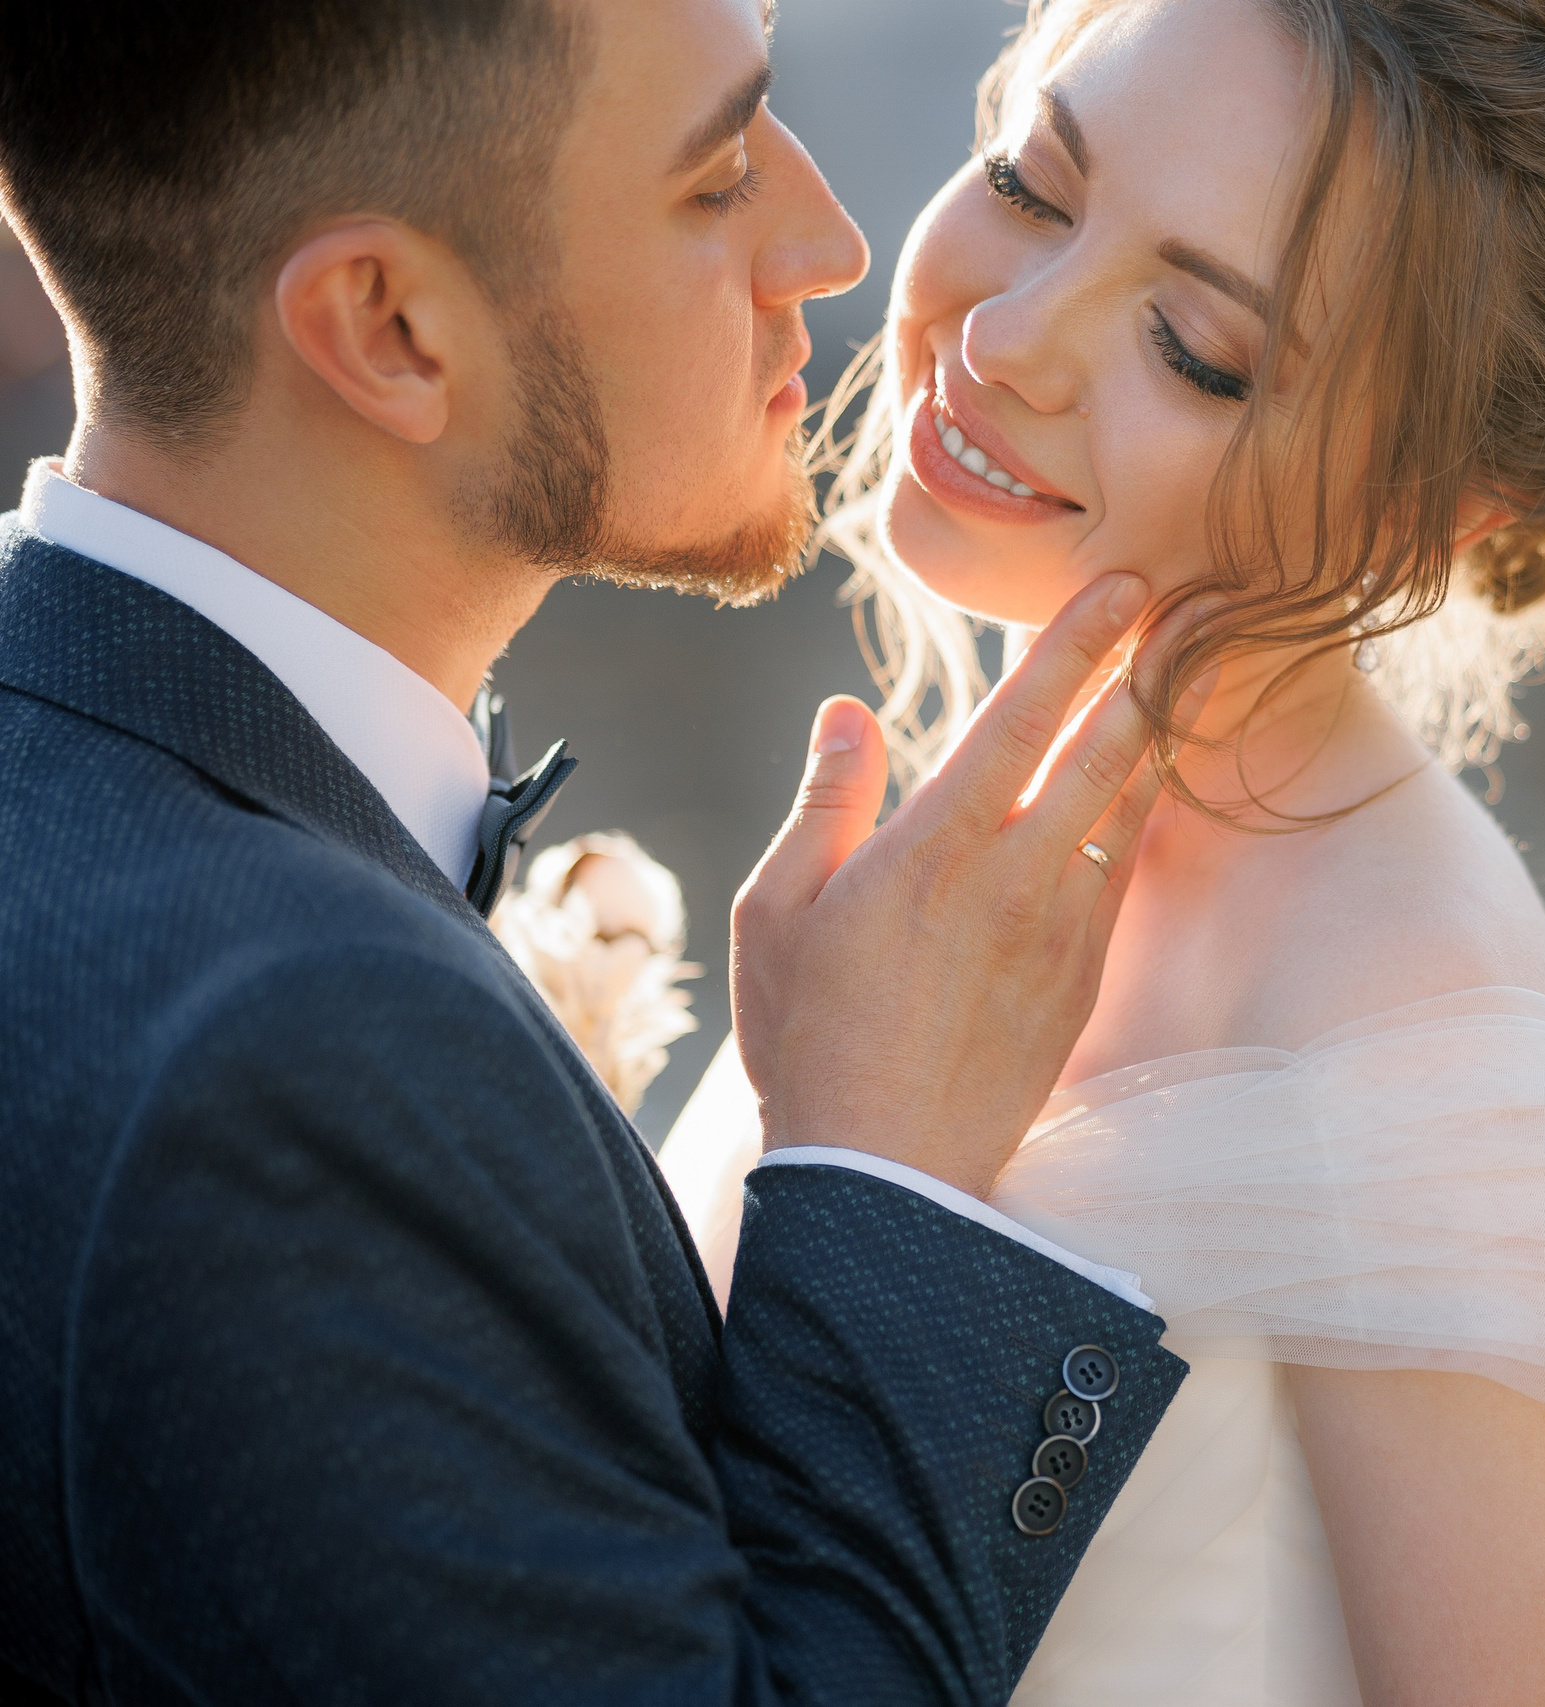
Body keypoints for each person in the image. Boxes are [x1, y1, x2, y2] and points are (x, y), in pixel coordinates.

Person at [0, 1, 1206, 1701]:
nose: (830, 241)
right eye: (717, 176)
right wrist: (889, 1176)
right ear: (391, 327)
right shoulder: (291, 1059)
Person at [665, 0, 1545, 1700]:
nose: (1009, 337)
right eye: (1030, 184)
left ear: (1433, 509)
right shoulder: (971, 856)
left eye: (1194, 347)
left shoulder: (1423, 1074)